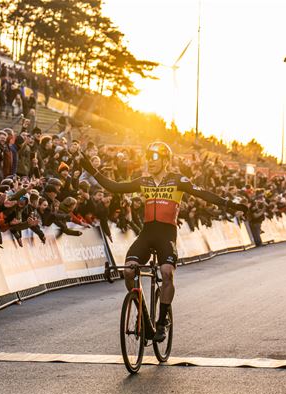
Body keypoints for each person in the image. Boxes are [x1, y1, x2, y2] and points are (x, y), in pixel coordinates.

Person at [79, 141, 247, 342]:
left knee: (166, 272)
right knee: (128, 272)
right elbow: (114, 186)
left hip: (167, 235)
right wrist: (91, 169)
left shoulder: (178, 180)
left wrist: (230, 204)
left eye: (156, 158)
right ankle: (144, 317)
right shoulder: (144, 181)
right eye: (148, 158)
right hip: (147, 233)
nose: (151, 162)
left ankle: (162, 321)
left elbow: (203, 193)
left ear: (166, 160)